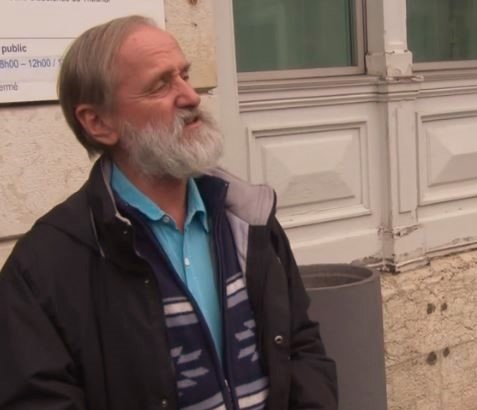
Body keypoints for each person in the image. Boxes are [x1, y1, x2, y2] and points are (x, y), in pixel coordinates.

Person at [0, 15, 337, 410]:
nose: (191, 96)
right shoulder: (44, 268)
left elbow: (299, 345)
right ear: (98, 122)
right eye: (161, 84)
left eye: (184, 75)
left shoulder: (249, 218)